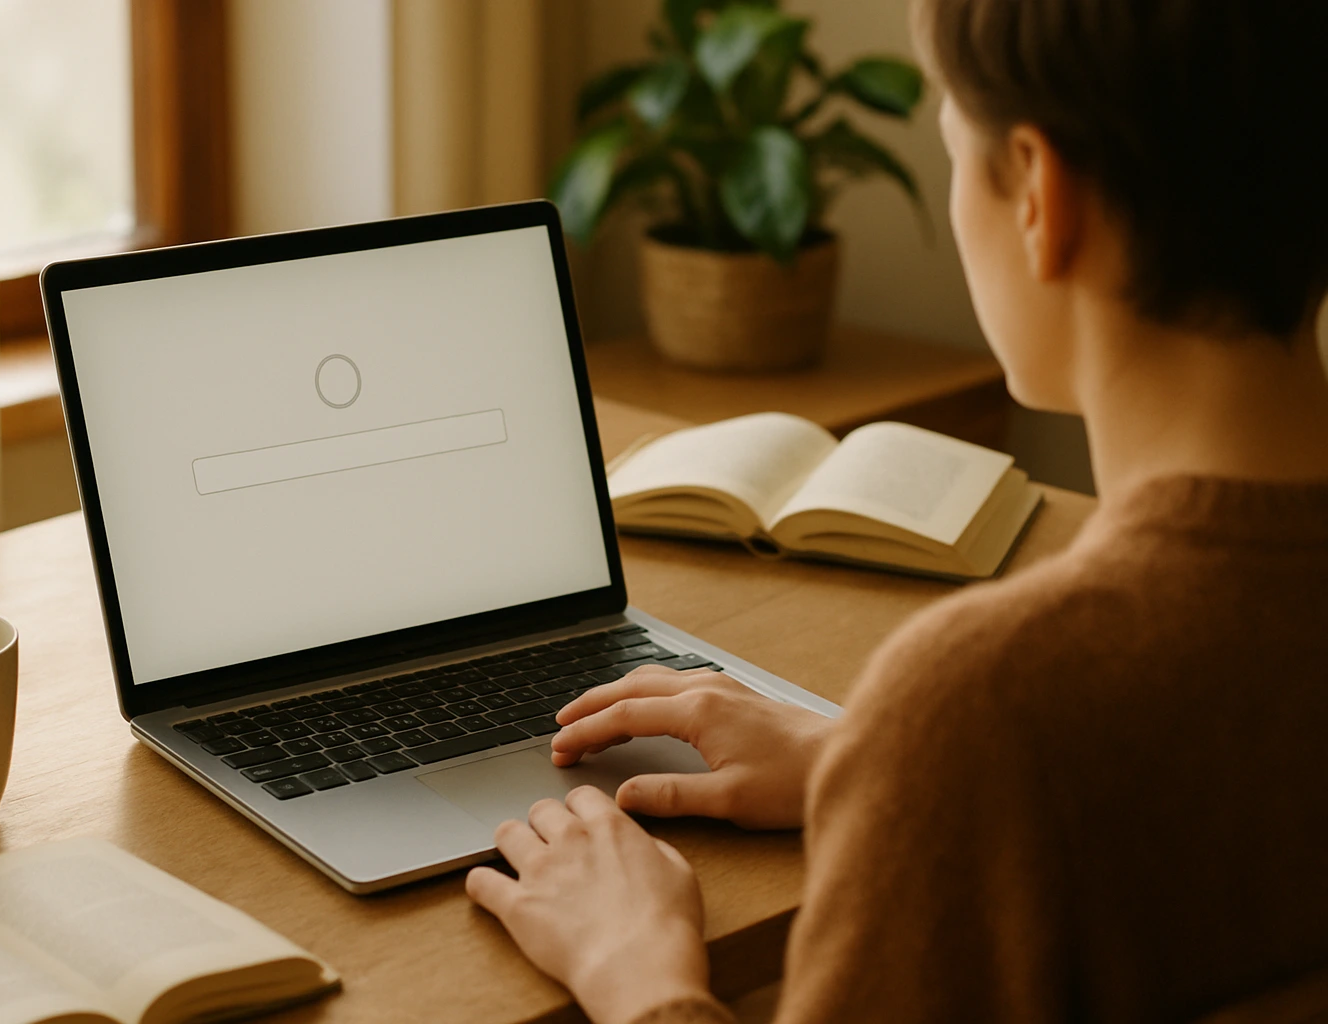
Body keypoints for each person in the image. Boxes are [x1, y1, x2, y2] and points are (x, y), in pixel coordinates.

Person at [463, 1, 1328, 1022]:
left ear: (1041, 198)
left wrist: (640, 973)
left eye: (954, 149)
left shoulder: (996, 705)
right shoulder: (996, 731)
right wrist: (871, 766)